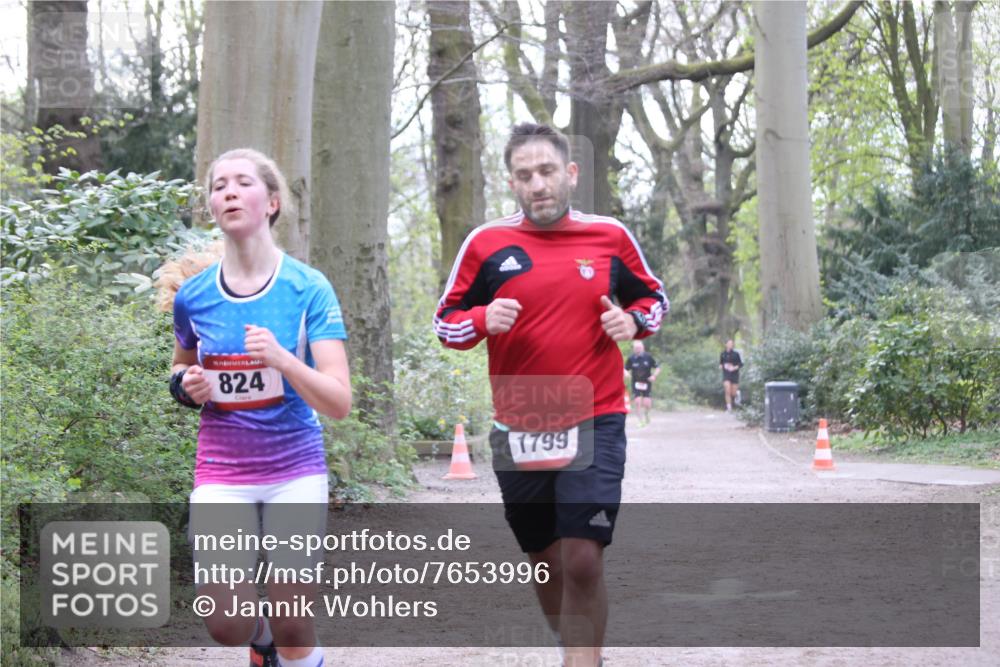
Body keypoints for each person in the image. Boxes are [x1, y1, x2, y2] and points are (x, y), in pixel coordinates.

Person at [434, 123, 667, 667]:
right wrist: (482, 319)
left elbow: (654, 300)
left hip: (595, 415)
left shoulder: (609, 237)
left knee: (583, 559)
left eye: (546, 172)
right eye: (524, 175)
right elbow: (445, 323)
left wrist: (633, 323)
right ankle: (580, 652)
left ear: (570, 174)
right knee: (547, 561)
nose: (537, 184)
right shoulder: (486, 245)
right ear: (512, 183)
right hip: (519, 425)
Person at [160, 148, 351, 667]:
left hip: (295, 467)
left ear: (271, 202)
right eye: (218, 185)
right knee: (226, 625)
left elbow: (338, 401)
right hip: (222, 471)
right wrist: (187, 385)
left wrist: (286, 361)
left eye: (241, 182)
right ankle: (259, 640)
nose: (227, 192)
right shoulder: (194, 297)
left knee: (296, 620)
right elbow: (179, 366)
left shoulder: (308, 288)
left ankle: (288, 647)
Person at [624, 340, 660, 426]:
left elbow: (658, 367)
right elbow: (625, 368)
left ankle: (647, 414)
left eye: (639, 348)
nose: (638, 349)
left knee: (647, 403)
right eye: (636, 348)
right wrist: (626, 374)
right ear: (633, 349)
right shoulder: (631, 358)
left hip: (646, 382)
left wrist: (654, 376)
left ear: (643, 348)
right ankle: (640, 421)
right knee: (637, 401)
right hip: (636, 382)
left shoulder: (648, 357)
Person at [719, 339, 743, 412]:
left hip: (734, 374)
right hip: (726, 374)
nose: (730, 345)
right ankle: (729, 408)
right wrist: (722, 366)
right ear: (726, 344)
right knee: (727, 390)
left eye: (732, 343)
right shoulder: (722, 354)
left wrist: (735, 367)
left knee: (733, 393)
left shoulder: (736, 354)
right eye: (729, 343)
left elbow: (741, 364)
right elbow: (721, 364)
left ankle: (737, 394)